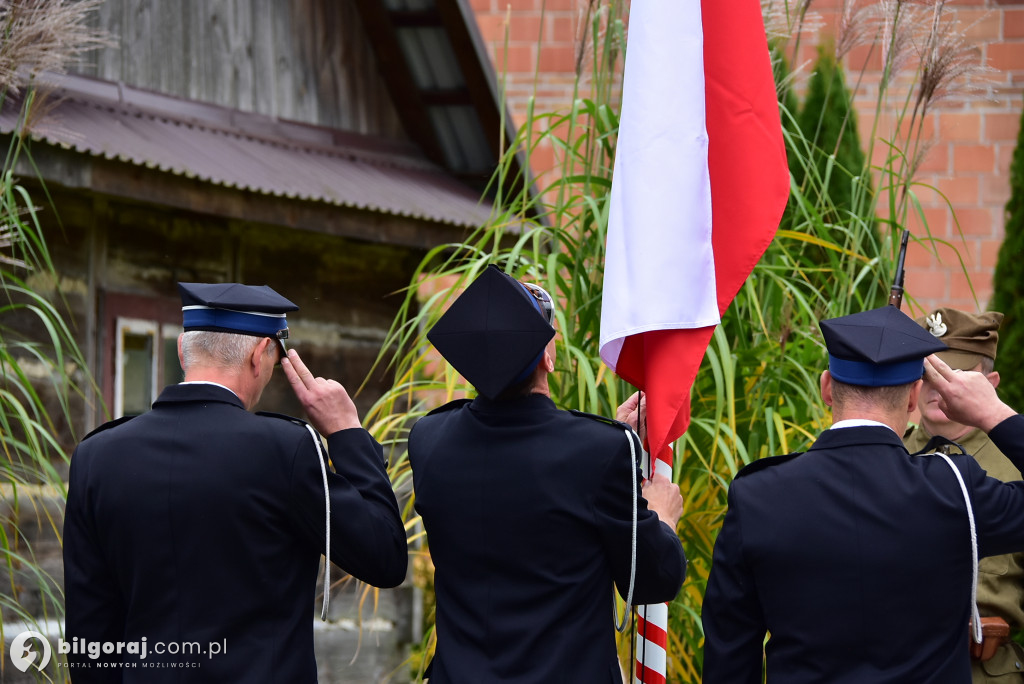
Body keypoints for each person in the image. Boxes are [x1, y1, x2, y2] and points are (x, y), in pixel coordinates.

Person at [63, 282, 408, 683]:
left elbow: (90, 636)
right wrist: (348, 432)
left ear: (182, 350)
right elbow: (385, 556)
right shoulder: (287, 450)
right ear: (260, 355)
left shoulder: (95, 456)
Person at [702, 305, 1024, 683]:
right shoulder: (956, 488)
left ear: (826, 387)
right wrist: (995, 415)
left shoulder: (756, 495)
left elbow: (730, 655)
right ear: (911, 397)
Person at [407, 265, 687, 683]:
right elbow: (653, 580)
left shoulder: (429, 440)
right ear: (547, 355)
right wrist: (661, 517)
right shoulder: (599, 453)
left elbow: (530, 469)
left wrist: (606, 446)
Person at [904, 307, 1024, 681]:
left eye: (955, 375)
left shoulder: (1015, 466)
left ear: (991, 383)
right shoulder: (884, 453)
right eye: (929, 373)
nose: (940, 386)